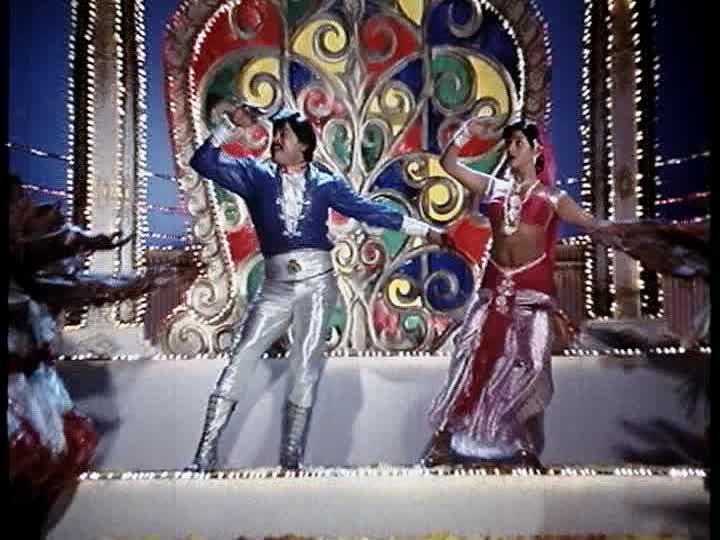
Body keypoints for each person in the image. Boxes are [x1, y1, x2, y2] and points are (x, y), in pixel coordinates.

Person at [187, 104, 444, 470]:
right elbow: (203, 162)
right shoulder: (255, 176)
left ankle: (291, 461)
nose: (276, 140)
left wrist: (425, 230)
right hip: (275, 286)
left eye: (284, 135)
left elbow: (369, 210)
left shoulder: (325, 184)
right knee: (241, 358)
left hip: (318, 286)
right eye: (276, 134)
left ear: (304, 145)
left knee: (305, 367)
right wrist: (229, 125)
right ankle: (204, 455)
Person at [423, 118, 609, 468]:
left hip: (531, 297)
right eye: (508, 143)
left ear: (536, 150)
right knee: (469, 359)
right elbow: (449, 164)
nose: (510, 149)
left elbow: (592, 224)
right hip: (492, 294)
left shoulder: (552, 198)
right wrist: (467, 132)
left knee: (529, 365)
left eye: (518, 143)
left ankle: (522, 447)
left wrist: (628, 234)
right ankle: (443, 441)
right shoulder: (493, 187)